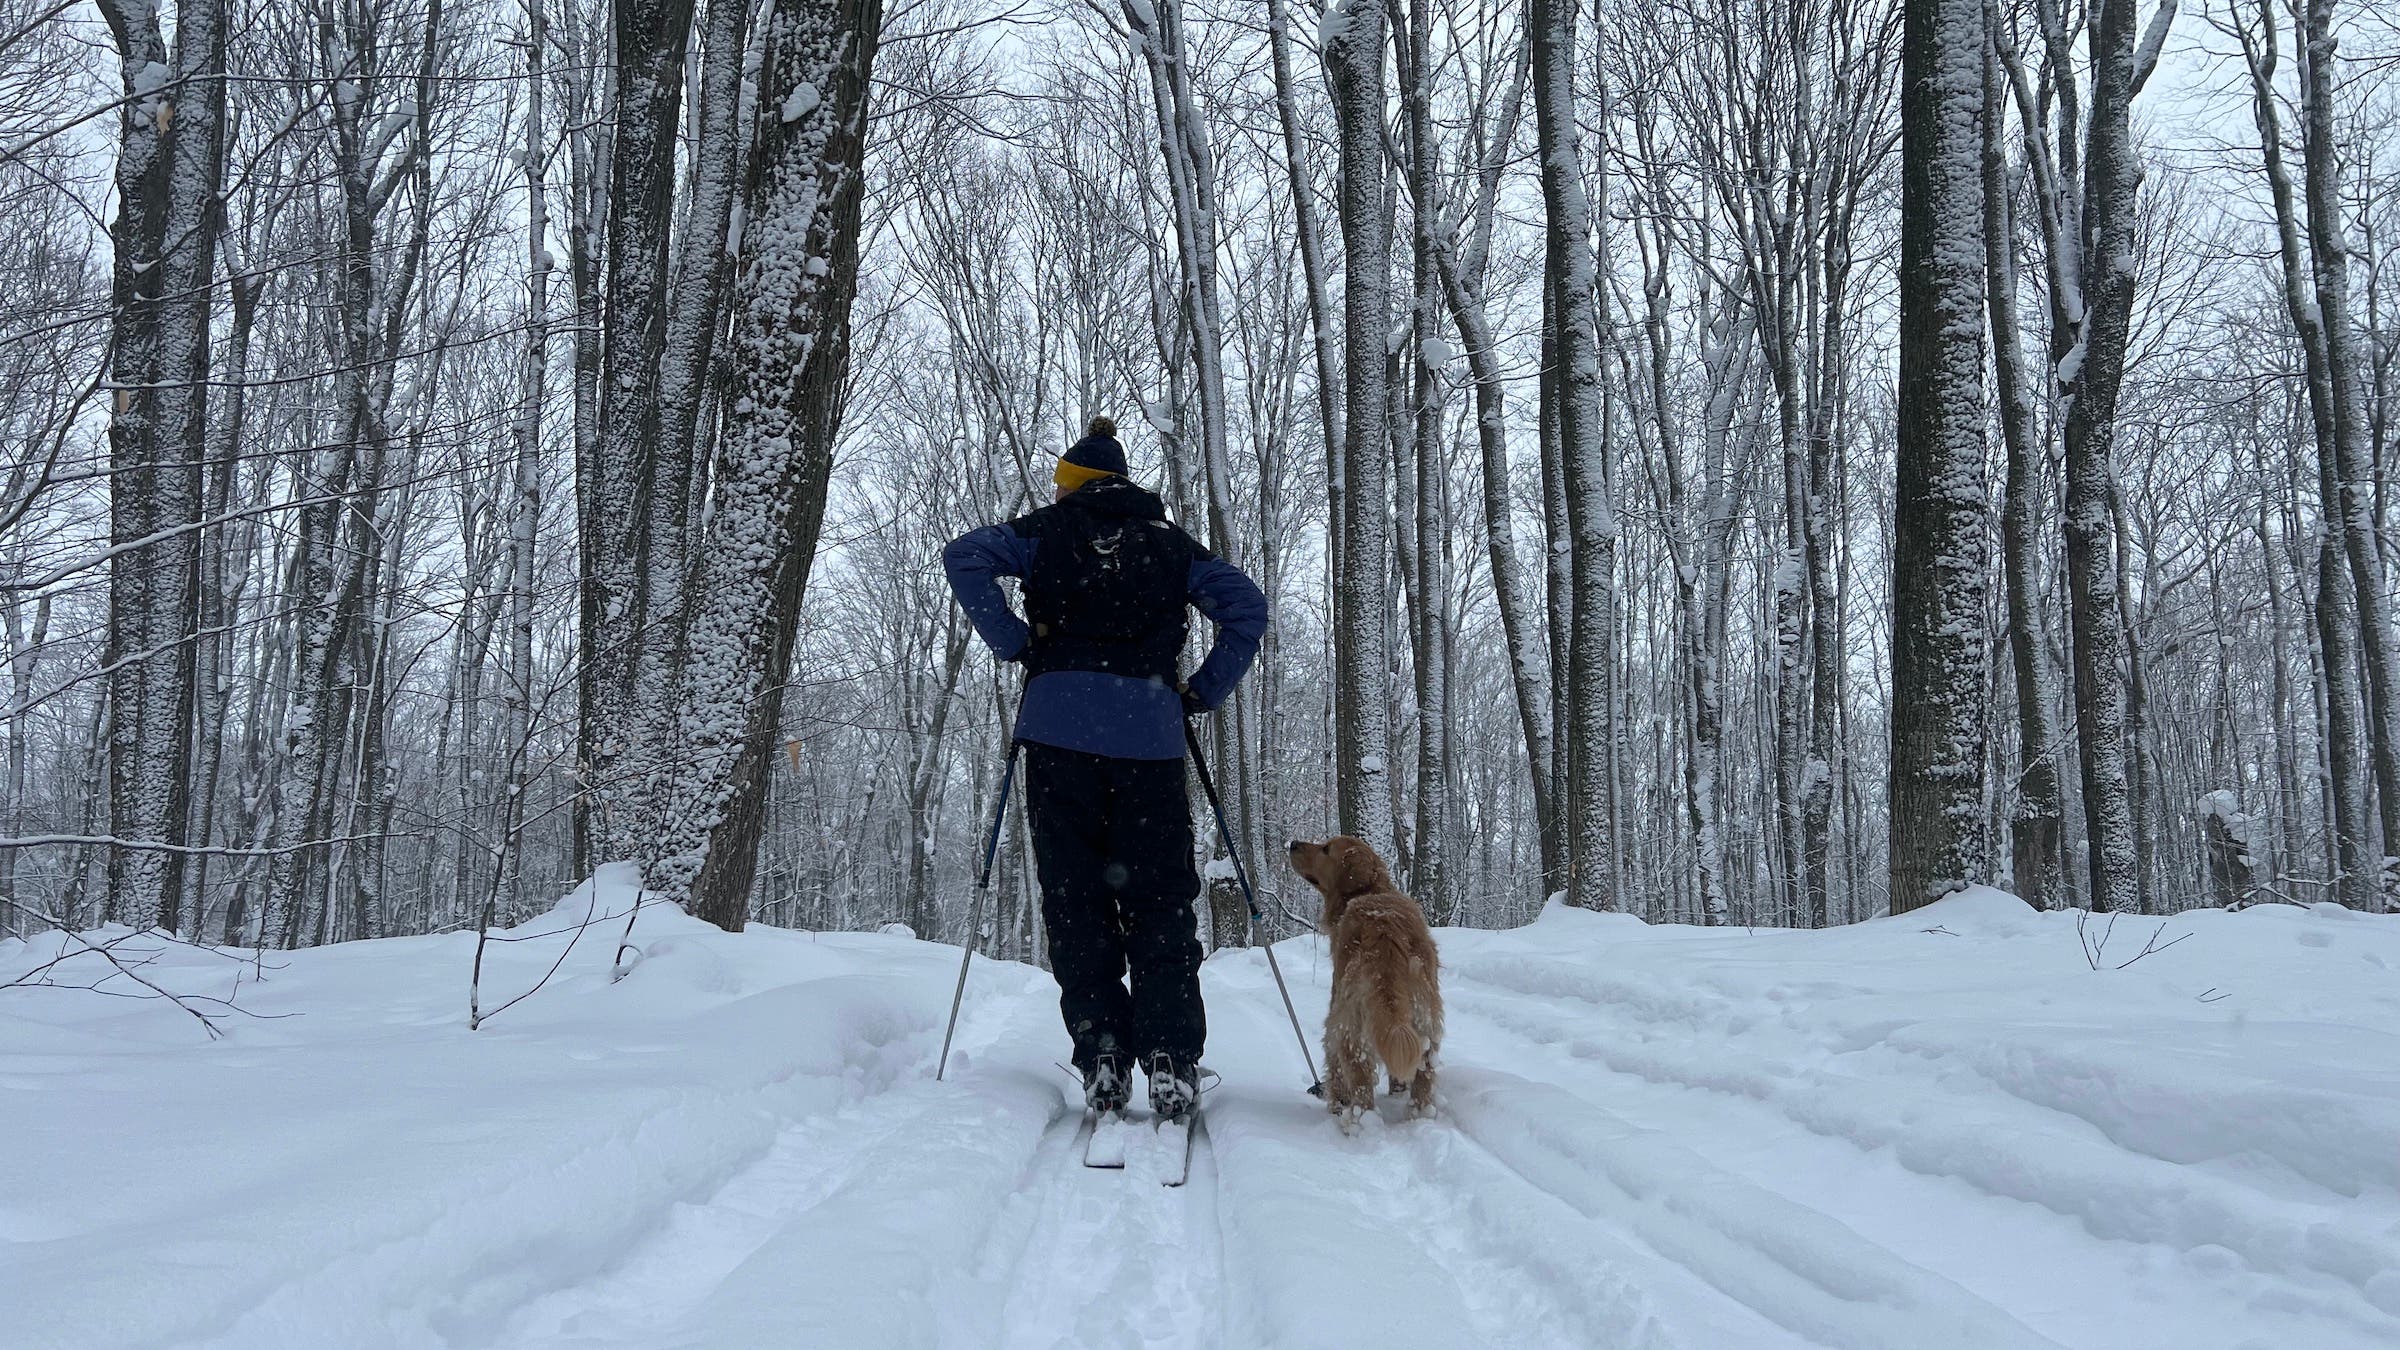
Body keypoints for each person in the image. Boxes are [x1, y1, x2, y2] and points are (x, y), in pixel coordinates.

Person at [942, 416, 1268, 1119]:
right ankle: (1171, 1055)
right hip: (1149, 740)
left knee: (1074, 897)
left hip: (1059, 736)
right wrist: (1202, 690)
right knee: (1159, 900)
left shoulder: (1044, 532)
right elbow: (1246, 609)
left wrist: (1014, 641)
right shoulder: (1172, 546)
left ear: (1075, 487)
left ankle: (1103, 1054)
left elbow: (964, 556)